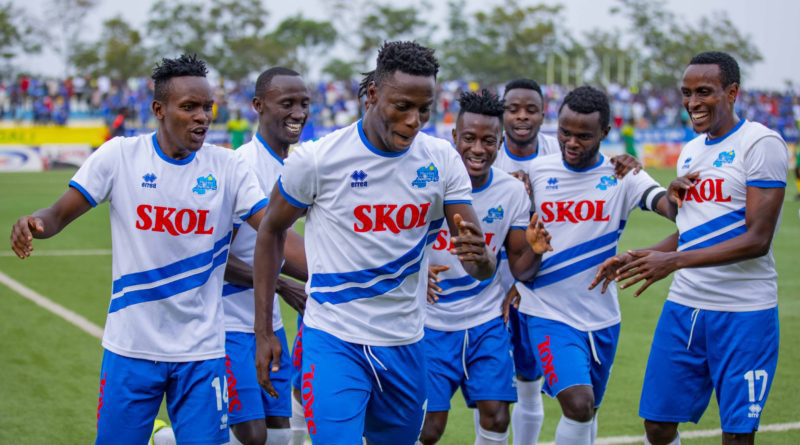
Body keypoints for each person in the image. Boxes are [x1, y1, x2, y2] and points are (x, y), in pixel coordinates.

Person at [9, 54, 268, 445]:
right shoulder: (120, 157)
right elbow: (58, 213)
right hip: (131, 348)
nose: (202, 117)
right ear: (158, 110)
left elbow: (273, 230)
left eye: (206, 107)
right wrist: (36, 224)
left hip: (201, 352)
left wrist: (323, 267)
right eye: (189, 107)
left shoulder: (228, 167)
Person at [252, 41, 496, 445]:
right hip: (333, 340)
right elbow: (270, 232)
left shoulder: (442, 161)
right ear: (372, 95)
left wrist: (483, 259)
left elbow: (477, 262)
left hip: (406, 343)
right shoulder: (317, 160)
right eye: (402, 106)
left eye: (424, 109)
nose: (414, 120)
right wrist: (264, 331)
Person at [595, 51, 788, 445]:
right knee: (658, 426)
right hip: (685, 309)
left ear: (732, 92)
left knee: (737, 436)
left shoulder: (761, 143)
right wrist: (643, 254)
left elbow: (757, 239)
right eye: (686, 93)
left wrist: (674, 261)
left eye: (704, 92)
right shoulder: (691, 151)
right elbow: (692, 231)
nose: (692, 102)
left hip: (744, 314)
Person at [506, 86, 676, 445]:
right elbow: (513, 238)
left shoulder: (622, 175)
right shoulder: (536, 172)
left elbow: (669, 208)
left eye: (583, 136)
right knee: (578, 404)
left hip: (602, 316)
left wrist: (678, 193)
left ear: (605, 134)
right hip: (546, 311)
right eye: (564, 132)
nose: (571, 142)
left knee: (589, 411)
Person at [418, 90, 551, 445]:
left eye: (488, 141)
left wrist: (535, 251)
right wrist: (415, 271)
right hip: (429, 323)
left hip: (485, 322)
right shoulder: (426, 183)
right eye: (470, 139)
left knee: (496, 416)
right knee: (428, 427)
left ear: (500, 142)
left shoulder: (511, 191)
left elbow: (522, 267)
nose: (478, 149)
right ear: (454, 138)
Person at [221, 67, 310, 445]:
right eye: (287, 103)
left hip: (268, 323)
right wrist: (282, 285)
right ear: (258, 106)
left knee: (280, 436)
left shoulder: (301, 164)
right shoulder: (242, 165)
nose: (298, 113)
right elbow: (215, 259)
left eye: (304, 103)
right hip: (227, 323)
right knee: (253, 436)